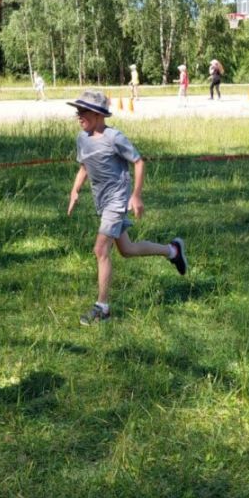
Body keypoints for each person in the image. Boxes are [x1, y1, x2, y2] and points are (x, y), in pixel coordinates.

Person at [66, 90, 188, 325]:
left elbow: (139, 162)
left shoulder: (114, 138)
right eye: (77, 111)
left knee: (101, 250)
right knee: (127, 249)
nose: (79, 115)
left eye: (83, 111)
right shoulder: (81, 139)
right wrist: (74, 191)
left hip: (117, 200)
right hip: (101, 201)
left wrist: (136, 196)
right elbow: (84, 167)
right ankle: (172, 251)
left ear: (100, 114)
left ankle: (102, 308)